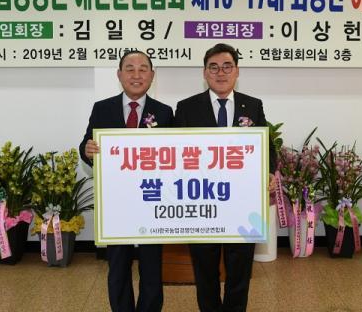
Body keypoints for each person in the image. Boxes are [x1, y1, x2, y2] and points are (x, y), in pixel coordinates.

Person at [174, 43, 276, 312]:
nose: (221, 73)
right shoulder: (186, 108)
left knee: (239, 270)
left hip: (242, 204)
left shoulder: (252, 105)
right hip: (201, 203)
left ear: (237, 71)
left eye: (227, 66)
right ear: (204, 73)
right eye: (214, 67)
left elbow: (267, 146)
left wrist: (269, 171)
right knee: (204, 270)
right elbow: (173, 152)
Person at [79, 50, 173, 312]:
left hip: (152, 200)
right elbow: (87, 144)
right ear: (119, 75)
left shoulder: (164, 112)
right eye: (130, 69)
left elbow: (174, 156)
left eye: (143, 69)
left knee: (152, 265)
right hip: (116, 201)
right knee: (118, 264)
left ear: (152, 76)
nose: (136, 74)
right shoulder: (102, 108)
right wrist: (87, 150)